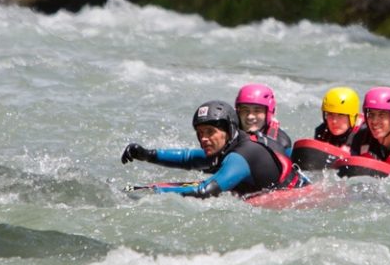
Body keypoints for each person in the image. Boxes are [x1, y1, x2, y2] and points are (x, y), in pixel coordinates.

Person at [120, 100, 308, 197]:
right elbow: (189, 158)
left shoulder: (241, 156)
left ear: (230, 130)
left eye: (210, 132)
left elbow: (206, 191)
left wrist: (153, 192)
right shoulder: (230, 145)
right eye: (200, 133)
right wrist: (147, 155)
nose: (204, 138)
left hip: (298, 200)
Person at [235, 83, 293, 156]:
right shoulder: (229, 134)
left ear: (268, 113)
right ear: (238, 112)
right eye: (245, 110)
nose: (250, 116)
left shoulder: (282, 142)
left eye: (257, 111)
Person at [314, 86, 364, 151]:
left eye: (341, 115)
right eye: (330, 114)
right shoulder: (322, 132)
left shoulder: (364, 135)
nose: (334, 121)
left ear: (352, 117)